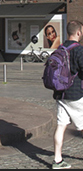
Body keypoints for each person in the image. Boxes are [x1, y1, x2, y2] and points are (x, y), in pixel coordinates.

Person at [51, 20, 83, 169]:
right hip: (76, 94)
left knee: (61, 125)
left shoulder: (60, 48)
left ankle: (57, 160)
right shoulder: (78, 50)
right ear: (78, 32)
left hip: (60, 94)